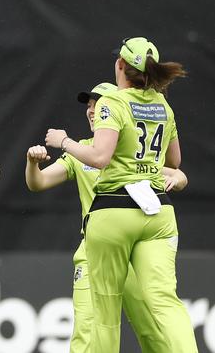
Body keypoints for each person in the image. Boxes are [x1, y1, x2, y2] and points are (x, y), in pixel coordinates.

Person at [44, 37, 197, 352]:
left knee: (105, 311)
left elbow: (99, 157)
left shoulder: (112, 102)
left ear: (121, 65)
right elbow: (174, 162)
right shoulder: (162, 105)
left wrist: (64, 141)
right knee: (166, 302)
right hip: (158, 212)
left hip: (114, 210)